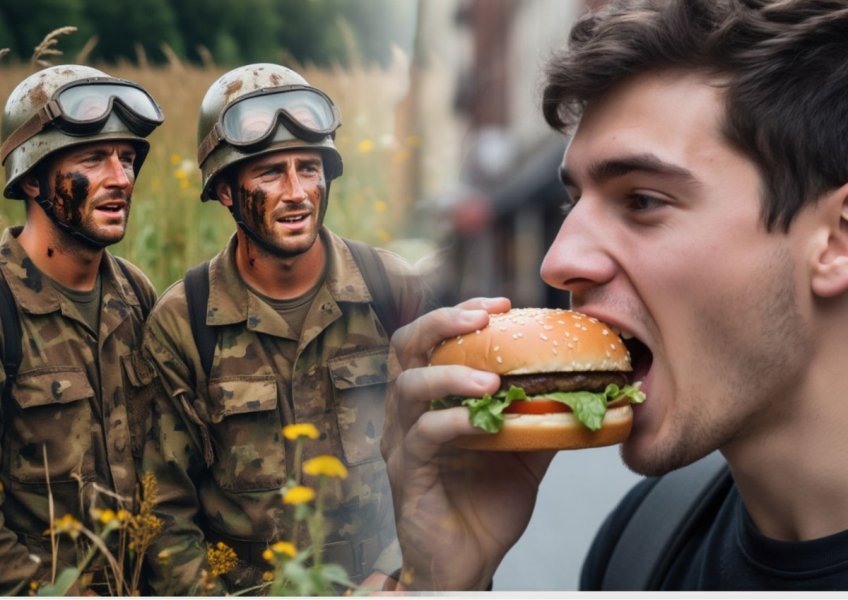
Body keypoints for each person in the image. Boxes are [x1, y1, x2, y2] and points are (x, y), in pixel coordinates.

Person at [381, 0, 848, 591]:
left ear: (835, 240)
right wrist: (443, 582)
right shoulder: (642, 539)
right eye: (572, 205)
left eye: (643, 201)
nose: (558, 263)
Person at [141, 63, 435, 594]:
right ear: (227, 191)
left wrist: (394, 571)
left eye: (309, 167)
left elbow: (441, 455)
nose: (297, 192)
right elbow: (164, 509)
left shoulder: (391, 288)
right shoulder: (183, 322)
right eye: (271, 172)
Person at [0, 65, 162, 593]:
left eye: (127, 158)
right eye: (93, 158)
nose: (121, 178)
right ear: (31, 178)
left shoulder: (136, 294)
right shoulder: (4, 304)